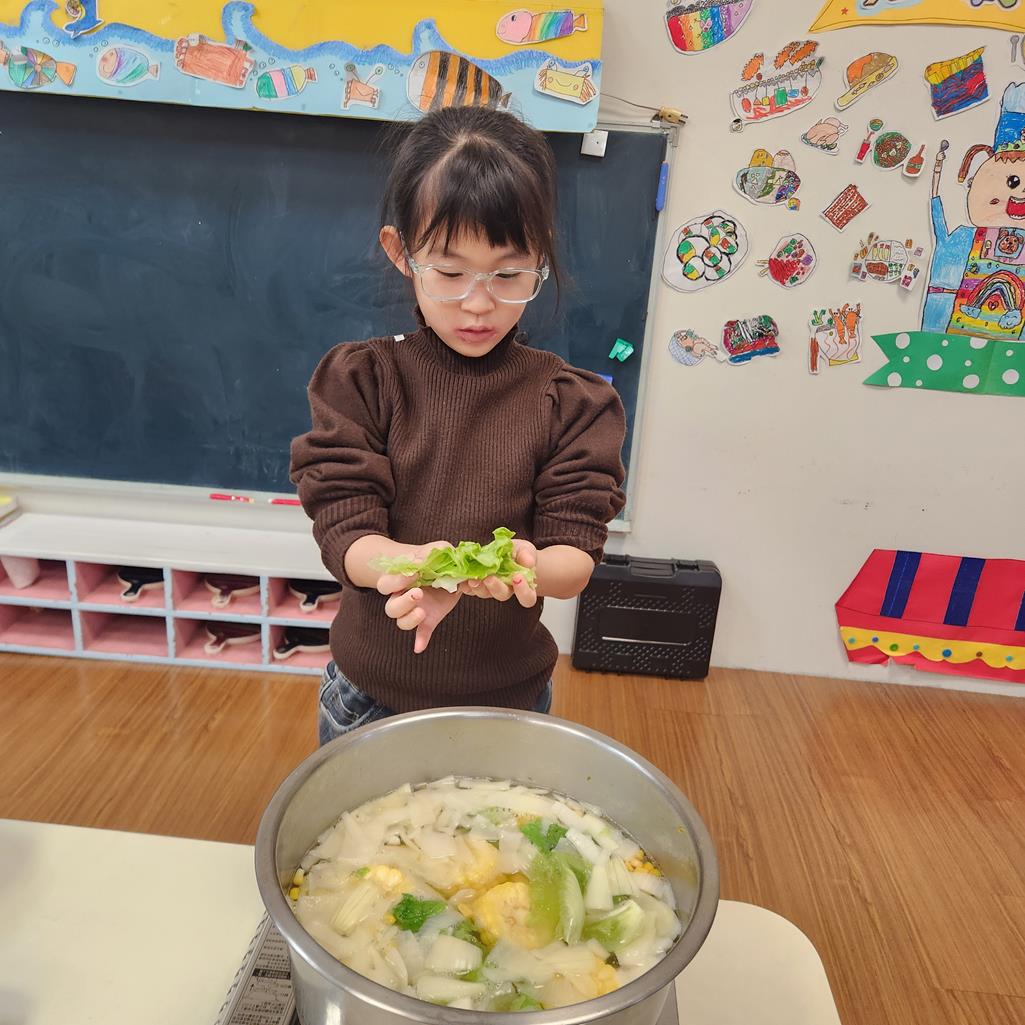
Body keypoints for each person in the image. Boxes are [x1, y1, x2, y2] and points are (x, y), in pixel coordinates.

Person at [290, 105, 626, 744]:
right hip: (369, 697)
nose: (478, 304)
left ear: (541, 259)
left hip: (509, 702)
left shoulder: (572, 402)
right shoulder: (362, 380)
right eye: (449, 272)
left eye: (509, 274)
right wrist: (422, 565)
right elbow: (346, 532)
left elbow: (573, 559)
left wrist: (513, 566)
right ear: (401, 253)